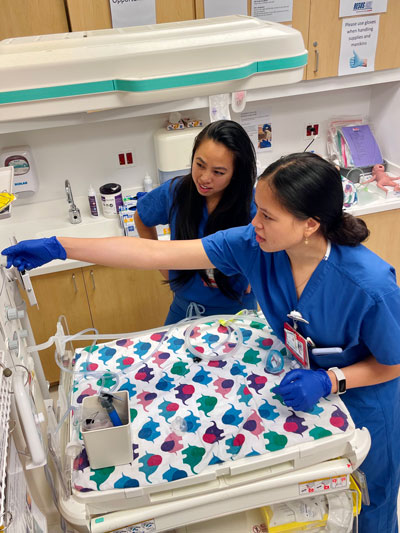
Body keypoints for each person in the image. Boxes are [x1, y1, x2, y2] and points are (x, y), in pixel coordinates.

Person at [3, 152, 400, 532]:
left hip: (366, 395)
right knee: (325, 498)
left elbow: (395, 361)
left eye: (267, 215)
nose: (255, 222)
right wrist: (61, 246)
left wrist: (331, 381)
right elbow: (152, 251)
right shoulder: (256, 246)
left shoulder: (369, 284)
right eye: (257, 209)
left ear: (310, 225)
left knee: (372, 495)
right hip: (302, 383)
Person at [135, 119, 258, 324]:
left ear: (236, 174)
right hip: (185, 308)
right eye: (199, 164)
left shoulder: (252, 204)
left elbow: (277, 245)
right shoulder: (175, 192)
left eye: (218, 172)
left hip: (236, 310)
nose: (204, 178)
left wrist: (258, 276)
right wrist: (163, 263)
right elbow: (142, 218)